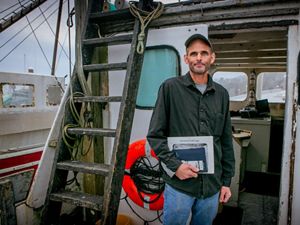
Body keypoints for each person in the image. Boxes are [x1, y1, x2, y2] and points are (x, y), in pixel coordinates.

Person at [147, 33, 235, 225]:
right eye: (193, 54)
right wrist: (176, 166)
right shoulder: (169, 88)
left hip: (212, 186)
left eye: (204, 53)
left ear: (212, 57)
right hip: (180, 187)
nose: (199, 58)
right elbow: (155, 136)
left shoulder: (222, 94)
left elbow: (226, 140)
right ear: (186, 58)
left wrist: (226, 181)